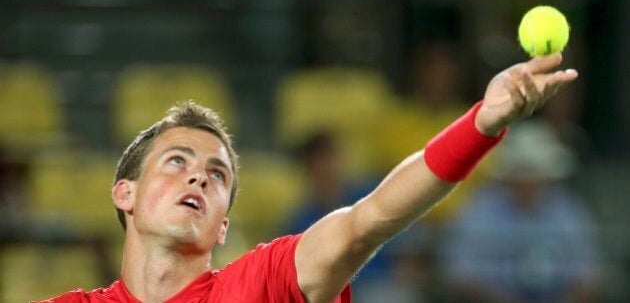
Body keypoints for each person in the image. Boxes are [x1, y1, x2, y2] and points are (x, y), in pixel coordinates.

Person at [36, 53, 577, 303]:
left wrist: (482, 123)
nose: (199, 177)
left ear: (224, 226)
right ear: (124, 193)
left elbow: (368, 220)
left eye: (217, 174)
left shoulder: (261, 286)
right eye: (177, 161)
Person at [440, 120, 601, 303]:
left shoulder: (567, 211)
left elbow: (589, 275)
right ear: (509, 174)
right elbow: (457, 275)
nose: (528, 181)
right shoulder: (480, 209)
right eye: (523, 171)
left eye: (534, 172)